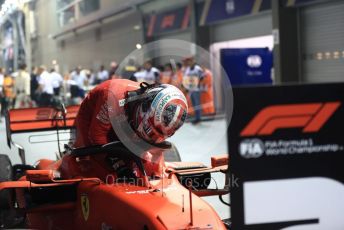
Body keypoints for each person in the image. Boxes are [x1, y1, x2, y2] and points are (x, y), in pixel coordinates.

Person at [73, 79, 187, 148]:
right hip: (92, 117)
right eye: (150, 130)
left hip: (124, 117)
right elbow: (96, 136)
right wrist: (116, 163)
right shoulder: (112, 98)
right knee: (91, 158)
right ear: (145, 107)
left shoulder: (146, 108)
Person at [183, 56, 204, 124]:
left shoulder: (197, 68)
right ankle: (196, 118)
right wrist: (186, 87)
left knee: (197, 104)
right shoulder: (188, 69)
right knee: (194, 105)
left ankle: (199, 118)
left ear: (193, 61)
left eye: (190, 61)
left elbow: (202, 77)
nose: (189, 62)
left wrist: (196, 83)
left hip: (196, 89)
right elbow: (186, 78)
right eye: (188, 61)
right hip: (191, 89)